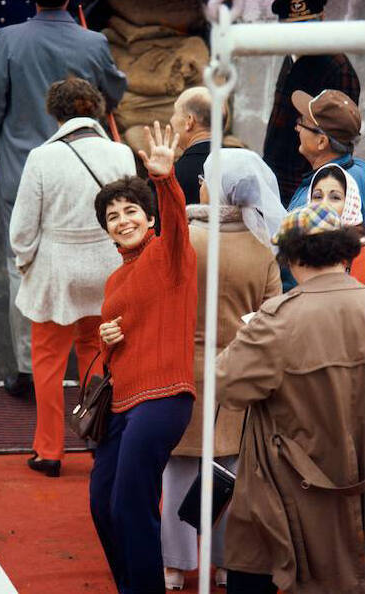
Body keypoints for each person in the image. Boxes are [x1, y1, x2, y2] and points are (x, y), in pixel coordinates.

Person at [0, 0, 127, 398]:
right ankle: (91, 364)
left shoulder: (7, 40)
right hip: (83, 169)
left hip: (22, 171)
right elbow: (115, 92)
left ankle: (27, 368)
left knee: (22, 262)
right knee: (89, 254)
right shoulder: (93, 43)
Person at [216, 202, 365, 594]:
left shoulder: (278, 319)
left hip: (287, 485)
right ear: (344, 251)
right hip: (354, 478)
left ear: (291, 255)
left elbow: (228, 386)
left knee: (254, 569)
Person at [161, 148, 284, 591]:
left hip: (184, 367)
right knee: (230, 470)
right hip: (238, 370)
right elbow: (271, 315)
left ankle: (175, 565)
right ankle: (225, 563)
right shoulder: (262, 246)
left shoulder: (186, 241)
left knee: (177, 468)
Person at [90, 122, 197, 594]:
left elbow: (176, 218)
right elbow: (114, 346)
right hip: (119, 403)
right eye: (112, 216)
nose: (122, 219)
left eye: (130, 210)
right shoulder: (115, 279)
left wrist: (164, 178)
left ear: (149, 218)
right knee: (102, 503)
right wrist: (106, 336)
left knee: (132, 501)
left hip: (163, 397)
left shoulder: (169, 253)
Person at [9, 78, 136, 477]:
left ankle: (49, 451)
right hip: (107, 268)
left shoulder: (42, 158)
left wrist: (25, 263)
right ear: (96, 110)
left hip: (56, 272)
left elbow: (24, 228)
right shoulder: (121, 154)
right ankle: (97, 441)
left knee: (46, 362)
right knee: (97, 354)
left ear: (56, 113)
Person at [263, 0, 360, 208]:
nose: (300, 37)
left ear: (322, 18)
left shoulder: (338, 68)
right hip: (276, 181)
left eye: (307, 27)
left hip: (308, 189)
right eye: (293, 30)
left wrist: (317, 190)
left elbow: (339, 138)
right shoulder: (291, 55)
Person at [288, 89, 365, 216]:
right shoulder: (360, 169)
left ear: (322, 142)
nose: (297, 128)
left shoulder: (309, 205)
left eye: (302, 122)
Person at [307, 163, 365, 284]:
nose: (324, 204)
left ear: (349, 203)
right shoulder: (302, 245)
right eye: (317, 196)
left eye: (335, 197)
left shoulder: (361, 251)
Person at [169, 87, 213, 205]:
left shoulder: (172, 178)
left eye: (175, 113)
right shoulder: (244, 165)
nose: (171, 120)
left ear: (189, 121)